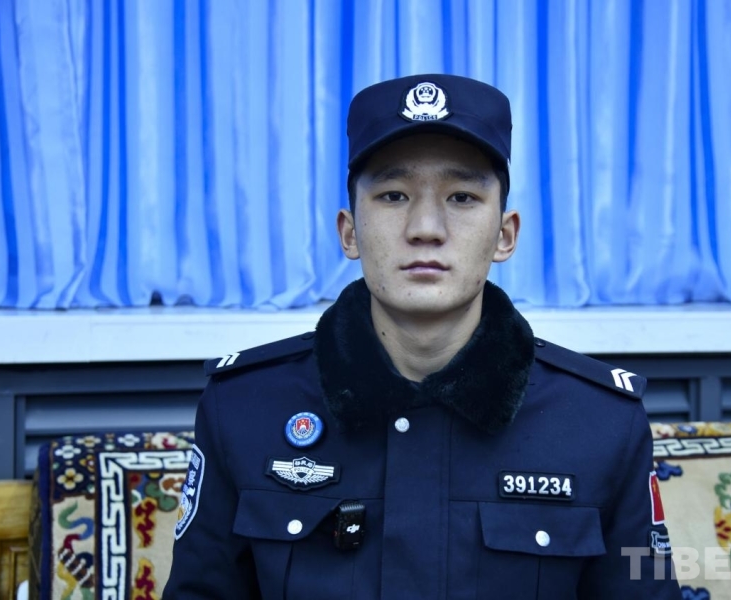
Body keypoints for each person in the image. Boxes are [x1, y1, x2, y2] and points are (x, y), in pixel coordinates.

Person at [163, 73, 681, 599]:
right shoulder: (244, 407)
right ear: (349, 231)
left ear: (505, 235)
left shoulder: (601, 423)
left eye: (461, 197)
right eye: (393, 195)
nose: (426, 228)